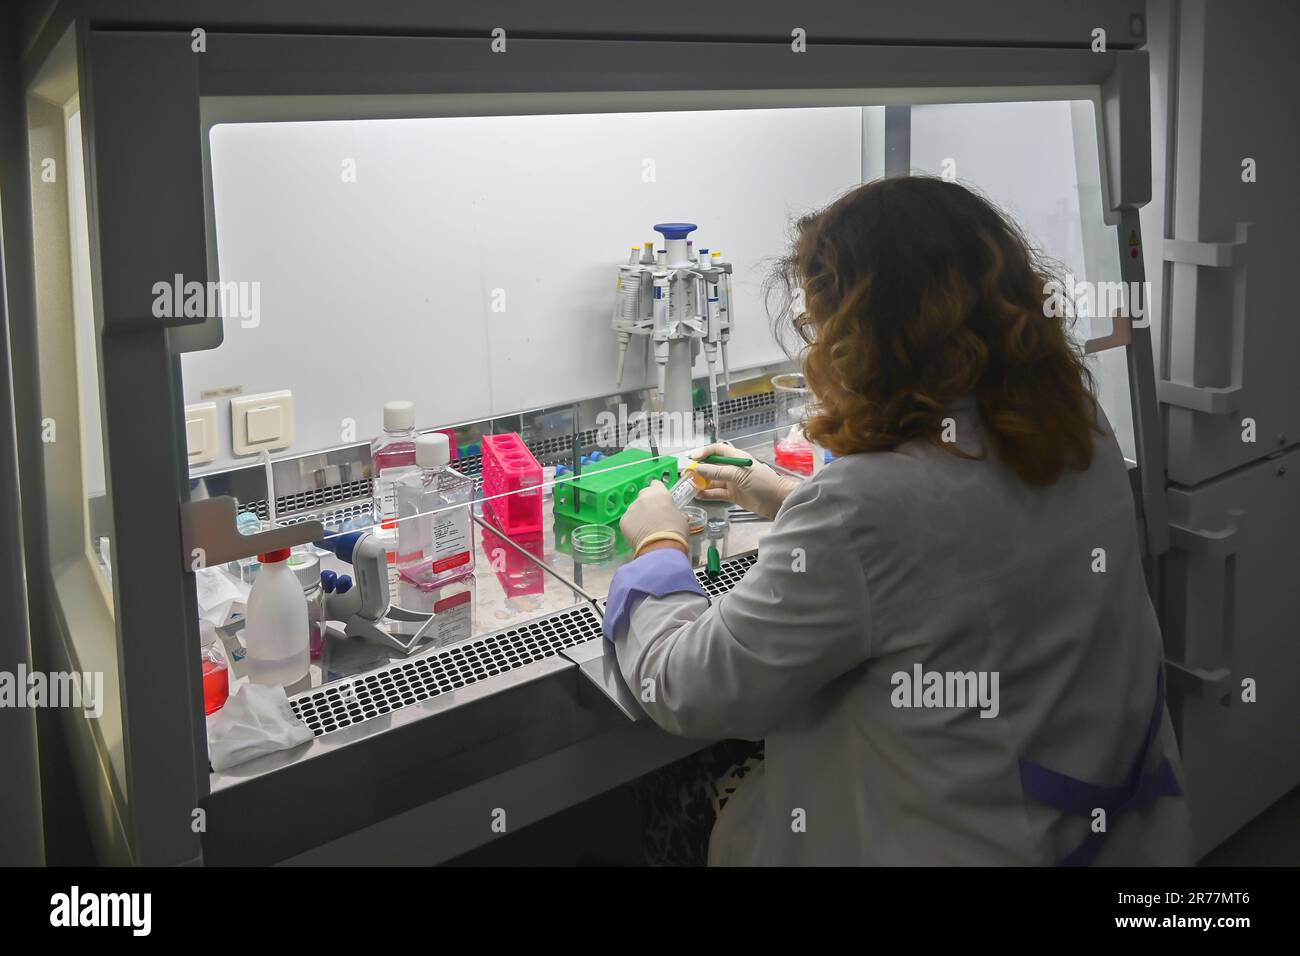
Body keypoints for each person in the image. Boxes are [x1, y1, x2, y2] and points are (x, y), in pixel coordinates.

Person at [604, 176, 1194, 866]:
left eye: (818, 324)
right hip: (1102, 829)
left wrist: (660, 544)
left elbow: (690, 689)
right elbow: (951, 544)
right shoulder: (1077, 430)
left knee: (674, 787)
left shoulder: (865, 505)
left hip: (948, 838)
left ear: (861, 333)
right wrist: (773, 491)